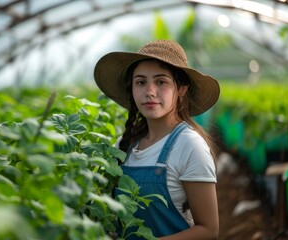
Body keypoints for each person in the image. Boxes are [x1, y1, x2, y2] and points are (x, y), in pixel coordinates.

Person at [93, 39, 220, 240]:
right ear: (132, 88)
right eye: (141, 82)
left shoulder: (189, 146)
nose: (150, 91)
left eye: (161, 82)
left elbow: (209, 230)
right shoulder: (124, 145)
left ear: (181, 89)